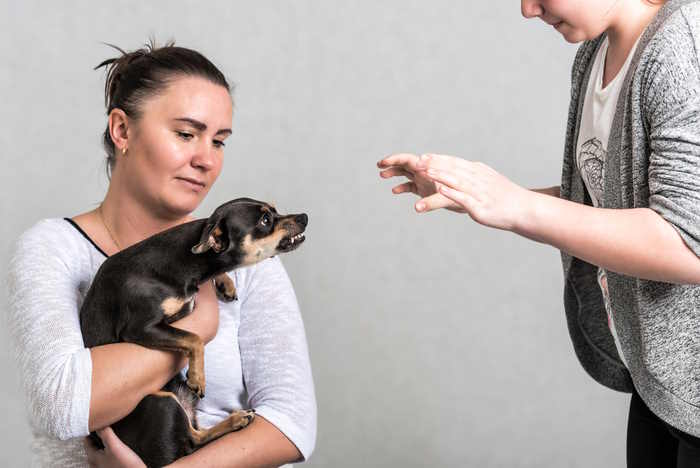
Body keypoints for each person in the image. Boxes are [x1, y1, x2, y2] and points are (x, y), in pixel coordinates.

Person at [378, 0, 700, 466]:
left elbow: (687, 244)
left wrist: (517, 205)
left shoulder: (681, 48)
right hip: (662, 387)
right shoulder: (594, 53)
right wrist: (475, 196)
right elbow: (606, 205)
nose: (528, 10)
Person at [7, 41, 316, 467]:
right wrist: (200, 327)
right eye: (186, 134)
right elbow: (63, 406)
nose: (206, 160)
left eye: (220, 141)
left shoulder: (246, 259)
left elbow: (291, 425)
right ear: (122, 131)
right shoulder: (55, 249)